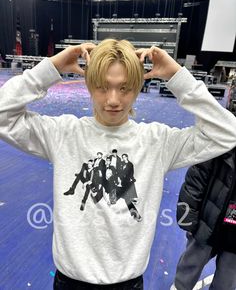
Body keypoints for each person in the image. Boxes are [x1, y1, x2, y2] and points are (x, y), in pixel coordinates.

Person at [0, 39, 236, 290]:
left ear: (137, 88)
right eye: (103, 87)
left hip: (127, 283)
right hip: (70, 282)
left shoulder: (157, 142)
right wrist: (51, 68)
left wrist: (177, 76)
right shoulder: (63, 134)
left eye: (124, 88)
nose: (113, 100)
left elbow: (227, 133)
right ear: (90, 86)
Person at [171, 146, 236, 290]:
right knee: (190, 265)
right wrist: (188, 212)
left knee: (227, 280)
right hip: (208, 221)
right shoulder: (223, 139)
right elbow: (197, 175)